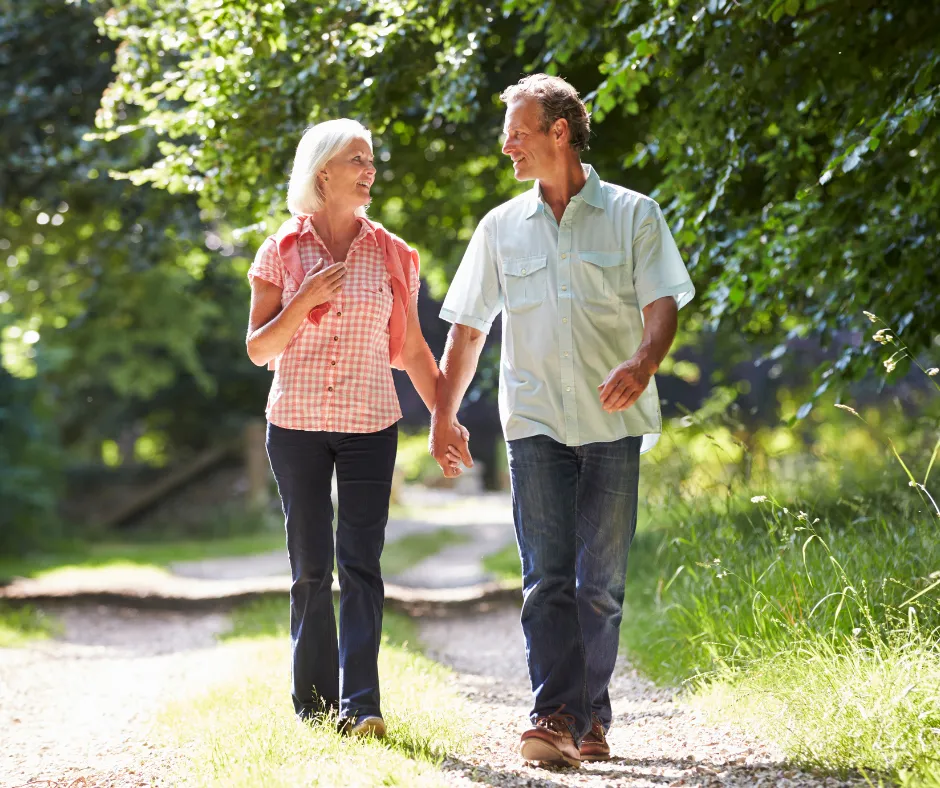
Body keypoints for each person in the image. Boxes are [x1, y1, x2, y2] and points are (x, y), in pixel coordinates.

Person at [430, 75, 695, 767]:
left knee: (598, 586)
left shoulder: (635, 215)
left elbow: (662, 303)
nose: (505, 145)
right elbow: (466, 329)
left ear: (559, 132)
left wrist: (642, 362)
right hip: (536, 420)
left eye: (517, 131)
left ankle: (591, 718)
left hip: (614, 421)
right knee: (545, 579)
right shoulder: (499, 227)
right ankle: (553, 714)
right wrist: (442, 414)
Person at [246, 118, 465, 737]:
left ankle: (361, 706)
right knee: (311, 566)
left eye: (372, 160)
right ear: (323, 172)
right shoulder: (281, 252)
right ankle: (315, 710)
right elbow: (260, 349)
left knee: (361, 563)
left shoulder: (392, 254)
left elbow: (417, 351)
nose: (370, 170)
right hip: (296, 426)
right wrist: (303, 300)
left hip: (371, 424)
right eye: (357, 160)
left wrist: (444, 417)